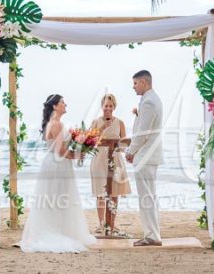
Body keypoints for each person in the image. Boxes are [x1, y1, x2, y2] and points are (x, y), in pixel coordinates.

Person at [18, 95, 96, 253]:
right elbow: (60, 151)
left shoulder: (53, 123)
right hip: (57, 166)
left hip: (55, 164)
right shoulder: (56, 124)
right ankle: (55, 231)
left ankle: (59, 229)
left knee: (55, 200)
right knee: (58, 200)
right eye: (62, 102)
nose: (65, 104)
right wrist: (77, 154)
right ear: (55, 106)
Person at [126, 70, 164, 247]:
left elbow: (143, 133)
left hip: (145, 155)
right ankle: (153, 233)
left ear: (143, 82)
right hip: (151, 154)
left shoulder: (148, 102)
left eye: (135, 83)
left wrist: (130, 151)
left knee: (146, 197)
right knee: (150, 195)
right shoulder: (152, 99)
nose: (133, 87)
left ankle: (152, 236)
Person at [89, 94, 131, 234]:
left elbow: (124, 143)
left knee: (114, 193)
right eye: (106, 105)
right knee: (100, 194)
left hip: (115, 160)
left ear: (114, 107)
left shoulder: (120, 123)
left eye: (110, 106)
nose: (108, 108)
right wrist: (102, 128)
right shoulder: (95, 122)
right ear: (102, 106)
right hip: (99, 160)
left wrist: (128, 152)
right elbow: (89, 142)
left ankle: (111, 223)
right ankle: (102, 224)